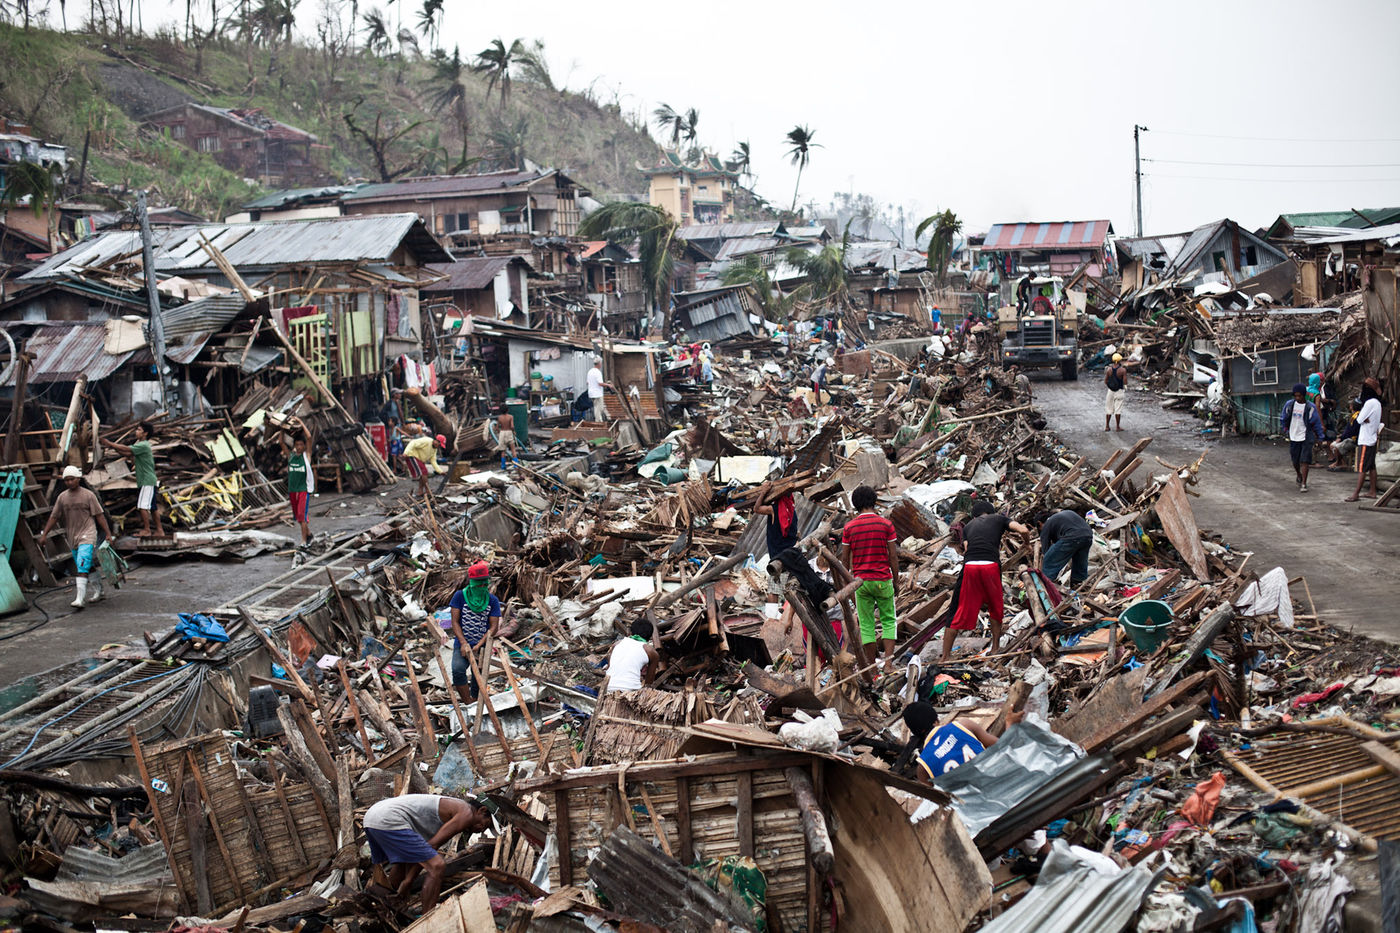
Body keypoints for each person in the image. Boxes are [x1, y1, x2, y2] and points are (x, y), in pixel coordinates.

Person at [362, 794, 491, 915]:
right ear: (482, 810)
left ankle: (381, 907)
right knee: (438, 866)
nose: (481, 829)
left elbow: (424, 854)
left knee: (402, 864)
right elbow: (433, 847)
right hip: (389, 818)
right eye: (485, 824)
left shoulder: (454, 810)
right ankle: (427, 919)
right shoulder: (467, 813)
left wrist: (407, 881)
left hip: (372, 817)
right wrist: (408, 882)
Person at [942, 501, 1030, 663]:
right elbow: (1023, 530)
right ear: (990, 512)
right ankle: (995, 648)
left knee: (957, 609)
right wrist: (1026, 543)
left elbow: (966, 548)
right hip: (990, 565)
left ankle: (945, 656)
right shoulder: (999, 518)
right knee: (995, 605)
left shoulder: (968, 526)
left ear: (974, 516)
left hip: (970, 566)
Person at [840, 484, 899, 673]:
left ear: (856, 504)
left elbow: (844, 560)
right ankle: (888, 664)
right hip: (883, 580)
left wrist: (846, 585)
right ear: (874, 502)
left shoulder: (849, 527)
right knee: (889, 620)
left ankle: (873, 668)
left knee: (866, 625)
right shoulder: (886, 525)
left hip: (860, 583)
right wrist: (896, 580)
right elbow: (893, 556)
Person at [39, 465, 113, 608]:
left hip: (88, 533)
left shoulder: (88, 495)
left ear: (78, 479)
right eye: (66, 480)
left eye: (72, 479)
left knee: (82, 564)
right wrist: (45, 534)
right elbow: (54, 517)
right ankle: (99, 590)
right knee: (87, 565)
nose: (69, 482)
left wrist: (108, 533)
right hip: (73, 535)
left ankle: (80, 598)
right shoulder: (62, 497)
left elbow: (99, 515)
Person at [902, 701, 1023, 780]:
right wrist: (1010, 724)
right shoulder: (963, 725)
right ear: (936, 720)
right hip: (1003, 782)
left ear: (915, 732)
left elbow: (940, 803)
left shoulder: (922, 769)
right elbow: (1005, 747)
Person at [447, 561, 502, 706]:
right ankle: (467, 702)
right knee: (458, 670)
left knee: (479, 675)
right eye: (478, 585)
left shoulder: (492, 601)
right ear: (472, 583)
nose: (481, 587)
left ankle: (477, 702)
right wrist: (464, 643)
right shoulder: (459, 596)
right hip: (462, 643)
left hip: (482, 645)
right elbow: (455, 622)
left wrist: (479, 645)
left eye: (484, 584)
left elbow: (493, 627)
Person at [1280, 382, 1325, 493]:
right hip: (1294, 436)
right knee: (1295, 460)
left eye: (1299, 396)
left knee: (1305, 460)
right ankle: (1298, 474)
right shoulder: (1289, 405)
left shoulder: (1310, 407)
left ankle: (1304, 483)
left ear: (1303, 395)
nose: (1297, 398)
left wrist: (1320, 437)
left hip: (1306, 436)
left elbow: (1316, 423)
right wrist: (1285, 429)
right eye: (1295, 396)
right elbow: (1284, 418)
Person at [1346, 378, 1384, 502]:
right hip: (1372, 438)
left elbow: (1359, 419)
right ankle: (1372, 491)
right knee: (1371, 467)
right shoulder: (1377, 403)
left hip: (1366, 439)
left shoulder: (1369, 403)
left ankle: (1355, 494)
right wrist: (1364, 418)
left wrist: (1363, 417)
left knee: (1362, 468)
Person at [1036, 507, 1093, 588]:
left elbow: (1046, 552)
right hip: (1088, 535)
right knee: (1080, 562)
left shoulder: (1046, 525)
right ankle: (1078, 584)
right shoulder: (1062, 517)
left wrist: (1048, 560)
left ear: (1039, 523)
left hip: (1072, 536)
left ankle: (1045, 587)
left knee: (1049, 562)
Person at [130, 421, 164, 537]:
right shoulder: (140, 445)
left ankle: (147, 530)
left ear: (145, 433)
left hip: (147, 481)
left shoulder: (143, 445)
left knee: (142, 506)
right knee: (153, 507)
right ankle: (160, 530)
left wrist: (110, 444)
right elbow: (129, 454)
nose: (136, 432)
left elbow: (127, 449)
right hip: (148, 480)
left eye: (139, 430)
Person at [606, 619, 660, 691]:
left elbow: (610, 668)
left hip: (608, 687)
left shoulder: (616, 644)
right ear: (650, 637)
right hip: (631, 691)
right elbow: (648, 683)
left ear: (630, 632)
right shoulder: (651, 652)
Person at [285, 433, 314, 545]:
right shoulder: (291, 456)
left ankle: (304, 540)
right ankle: (309, 534)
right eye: (297, 445)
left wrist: (301, 424)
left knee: (302, 516)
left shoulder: (306, 456)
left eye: (301, 445)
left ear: (304, 446)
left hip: (303, 489)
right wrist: (282, 429)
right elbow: (281, 442)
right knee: (298, 517)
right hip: (292, 490)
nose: (299, 447)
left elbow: (309, 438)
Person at [1104, 353, 1128, 432]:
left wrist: (1111, 386)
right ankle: (1117, 427)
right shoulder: (1122, 370)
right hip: (1119, 391)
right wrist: (1125, 387)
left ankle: (1107, 426)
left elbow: (1105, 381)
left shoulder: (1109, 369)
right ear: (1120, 360)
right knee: (1118, 409)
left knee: (1109, 408)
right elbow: (1125, 382)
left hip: (1110, 391)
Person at [586, 356, 612, 421]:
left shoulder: (590, 371)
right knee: (599, 408)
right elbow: (600, 383)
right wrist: (608, 385)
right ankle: (598, 422)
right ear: (599, 363)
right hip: (597, 393)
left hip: (591, 393)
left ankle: (599, 420)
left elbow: (587, 382)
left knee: (598, 407)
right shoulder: (598, 372)